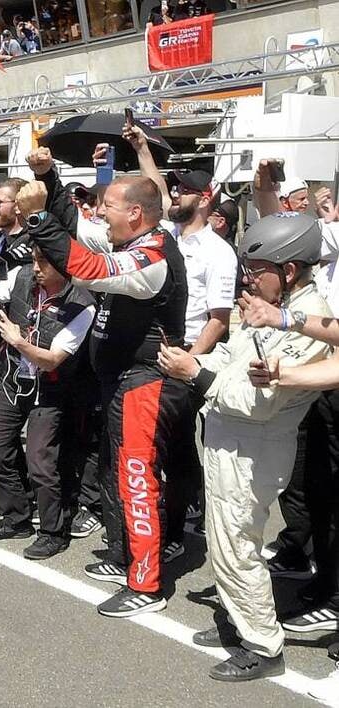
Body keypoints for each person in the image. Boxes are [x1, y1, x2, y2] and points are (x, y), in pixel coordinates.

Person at [158, 213, 331, 681]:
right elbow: (234, 354)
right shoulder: (271, 306)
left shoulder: (310, 322)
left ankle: (262, 644)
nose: (249, 279)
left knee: (237, 544)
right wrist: (194, 357)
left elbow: (259, 403)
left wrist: (195, 375)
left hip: (254, 448)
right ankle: (241, 620)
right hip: (229, 439)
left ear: (288, 270)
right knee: (225, 541)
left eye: (257, 270)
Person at [26, 150, 191, 619]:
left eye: (108, 207)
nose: (99, 213)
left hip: (146, 382)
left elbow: (86, 267)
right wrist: (49, 178)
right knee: (116, 473)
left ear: (135, 213)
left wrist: (37, 219)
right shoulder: (131, 238)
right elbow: (76, 231)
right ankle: (124, 555)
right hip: (118, 379)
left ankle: (147, 586)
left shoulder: (152, 255)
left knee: (137, 479)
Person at [0, 244, 95, 559]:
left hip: (49, 389)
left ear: (62, 265)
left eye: (43, 262)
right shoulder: (21, 277)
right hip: (12, 380)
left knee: (41, 464)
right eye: (34, 260)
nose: (36, 267)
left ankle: (53, 533)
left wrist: (17, 340)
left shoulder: (83, 304)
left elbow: (52, 360)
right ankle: (15, 517)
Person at [162, 170, 238, 552]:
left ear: (205, 199)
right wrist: (142, 149)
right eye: (175, 188)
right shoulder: (166, 236)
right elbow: (154, 189)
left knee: (177, 446)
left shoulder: (219, 252)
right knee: (166, 444)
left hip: (191, 354)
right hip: (158, 349)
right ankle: (189, 500)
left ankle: (175, 534)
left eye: (186, 190)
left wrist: (188, 362)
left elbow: (219, 319)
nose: (176, 194)